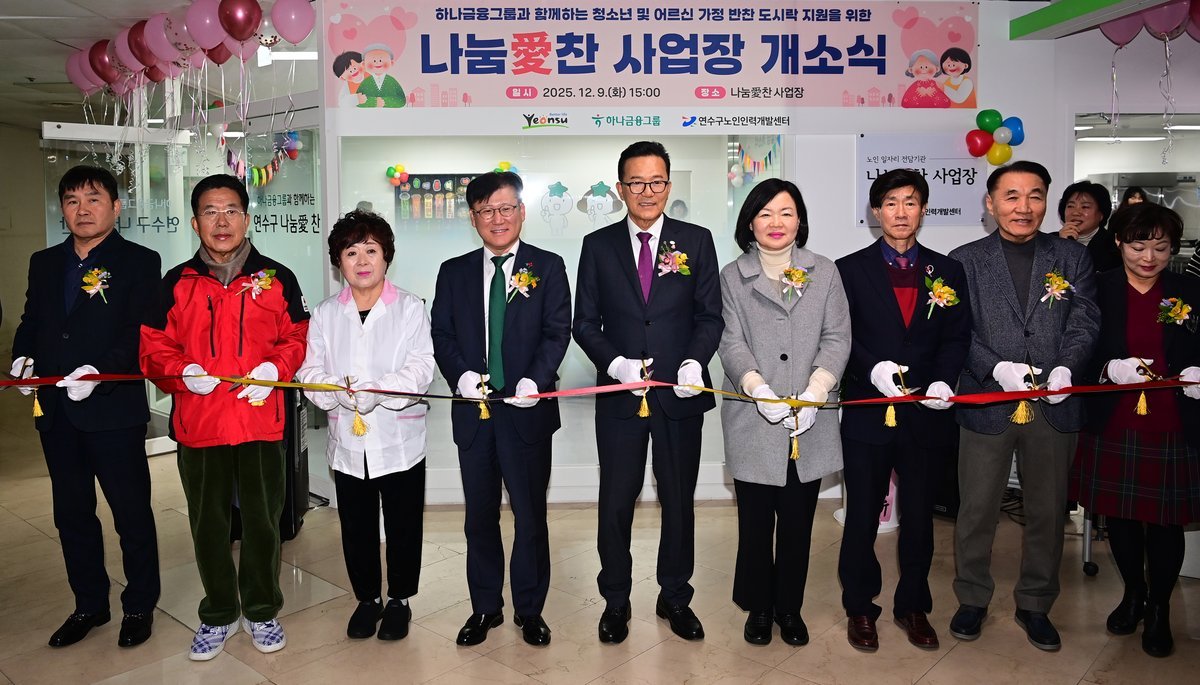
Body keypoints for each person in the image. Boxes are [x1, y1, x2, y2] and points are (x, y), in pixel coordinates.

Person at [140, 174, 309, 661]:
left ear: (247, 218)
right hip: (200, 422)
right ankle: (217, 612)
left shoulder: (277, 278)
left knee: (263, 520)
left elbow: (299, 337)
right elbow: (153, 346)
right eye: (210, 211)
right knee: (208, 523)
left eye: (231, 210)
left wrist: (274, 369)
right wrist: (180, 372)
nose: (222, 221)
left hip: (259, 420)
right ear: (195, 223)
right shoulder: (176, 282)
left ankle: (261, 608)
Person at [573, 141, 724, 644]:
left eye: (656, 181)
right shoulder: (598, 245)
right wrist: (614, 364)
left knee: (679, 500)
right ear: (620, 189)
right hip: (621, 397)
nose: (647, 191)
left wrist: (693, 361)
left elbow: (710, 316)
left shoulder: (696, 241)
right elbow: (583, 321)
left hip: (678, 396)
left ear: (668, 185)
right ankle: (616, 599)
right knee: (617, 500)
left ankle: (675, 596)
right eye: (636, 182)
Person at [947, 160, 1100, 651]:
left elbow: (1085, 319)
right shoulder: (964, 260)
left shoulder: (1071, 257)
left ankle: (1035, 603)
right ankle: (972, 597)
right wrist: (995, 368)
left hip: (1054, 403)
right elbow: (957, 331)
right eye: (1011, 196)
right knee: (976, 509)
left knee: (1048, 512)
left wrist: (1066, 368)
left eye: (1035, 195)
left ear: (1046, 202)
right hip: (988, 401)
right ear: (990, 204)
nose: (1023, 206)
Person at [10, 165, 161, 648]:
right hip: (56, 410)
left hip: (113, 410)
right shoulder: (44, 262)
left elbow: (140, 332)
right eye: (72, 200)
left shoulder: (139, 261)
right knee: (72, 515)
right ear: (62, 209)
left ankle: (139, 604)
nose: (82, 209)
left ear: (116, 207)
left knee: (131, 514)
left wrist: (100, 372)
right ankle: (89, 604)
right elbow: (32, 320)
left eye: (93, 199)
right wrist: (22, 358)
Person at [430, 171, 572, 647]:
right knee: (479, 517)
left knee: (530, 516)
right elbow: (442, 333)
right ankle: (485, 607)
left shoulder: (547, 266)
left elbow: (557, 331)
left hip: (526, 411)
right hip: (475, 413)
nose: (497, 218)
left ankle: (530, 610)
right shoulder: (453, 271)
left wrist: (536, 378)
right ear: (473, 218)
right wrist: (461, 377)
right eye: (486, 211)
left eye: (506, 208)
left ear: (521, 212)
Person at [835, 169, 971, 652]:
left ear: (923, 210)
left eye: (910, 202)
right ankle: (859, 605)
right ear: (876, 211)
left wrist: (944, 379)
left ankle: (913, 605)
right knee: (862, 516)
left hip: (926, 415)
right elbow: (840, 336)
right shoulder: (848, 270)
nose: (900, 212)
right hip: (868, 411)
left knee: (919, 517)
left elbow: (957, 336)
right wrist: (869, 368)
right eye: (890, 203)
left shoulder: (947, 271)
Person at [717, 178, 850, 647]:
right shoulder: (732, 276)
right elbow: (730, 340)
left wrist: (817, 390)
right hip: (754, 418)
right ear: (750, 222)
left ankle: (789, 608)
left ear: (800, 221)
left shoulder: (825, 272)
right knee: (755, 524)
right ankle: (759, 606)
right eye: (766, 213)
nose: (776, 222)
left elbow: (838, 336)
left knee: (797, 523)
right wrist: (758, 388)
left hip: (808, 421)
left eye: (786, 212)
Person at [296, 210, 435, 641]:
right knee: (356, 526)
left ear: (386, 256)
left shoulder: (410, 308)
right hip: (347, 442)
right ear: (338, 261)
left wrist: (379, 390)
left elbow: (421, 367)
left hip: (399, 439)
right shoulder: (325, 314)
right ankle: (368, 599)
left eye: (370, 250)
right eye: (351, 252)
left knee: (403, 524)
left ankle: (400, 600)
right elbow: (309, 371)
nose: (361, 261)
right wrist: (335, 392)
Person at [1069, 203, 1200, 658]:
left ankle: (1160, 607)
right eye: (1138, 246)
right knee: (1120, 517)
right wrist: (1108, 368)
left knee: (1165, 522)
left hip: (1173, 421)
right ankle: (1133, 595)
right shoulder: (1097, 288)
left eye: (1160, 248)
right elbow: (1078, 350)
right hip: (1115, 418)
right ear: (1119, 242)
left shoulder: (1189, 291)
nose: (1149, 257)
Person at [1057, 181, 1119, 273]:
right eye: (1070, 206)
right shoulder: (1049, 241)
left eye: (1085, 207)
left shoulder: (1113, 247)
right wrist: (1061, 244)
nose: (1076, 212)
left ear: (1101, 214)